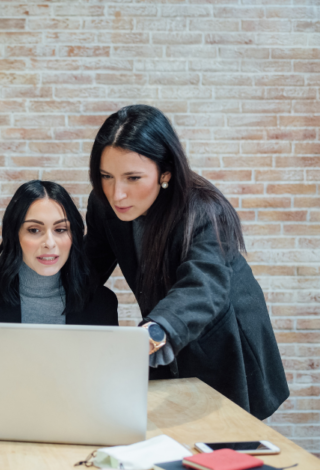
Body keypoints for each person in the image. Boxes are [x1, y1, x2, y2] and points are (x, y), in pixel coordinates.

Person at [85, 104, 289, 420]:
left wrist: (154, 332)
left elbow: (202, 285)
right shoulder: (103, 205)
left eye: (133, 177)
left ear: (164, 172)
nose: (118, 194)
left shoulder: (205, 210)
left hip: (223, 334)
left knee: (222, 437)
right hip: (166, 328)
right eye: (106, 176)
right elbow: (88, 268)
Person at [0, 180, 119, 386]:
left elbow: (104, 382)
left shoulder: (102, 302)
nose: (49, 243)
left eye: (60, 229)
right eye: (34, 230)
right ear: (15, 234)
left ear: (74, 236)